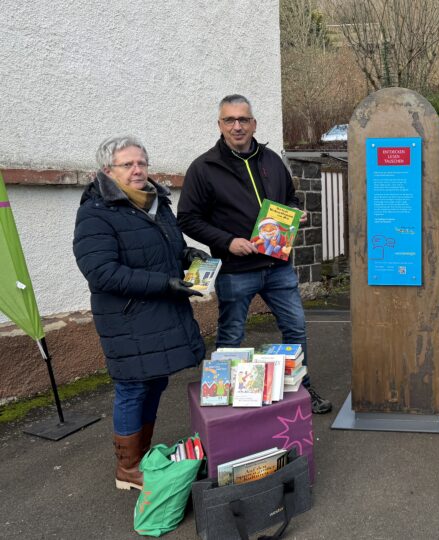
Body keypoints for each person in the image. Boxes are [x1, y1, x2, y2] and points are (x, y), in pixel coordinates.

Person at [177, 94, 332, 414]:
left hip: (278, 266)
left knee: (295, 329)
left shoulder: (272, 160)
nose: (237, 126)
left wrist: (295, 213)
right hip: (236, 269)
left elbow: (290, 199)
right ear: (220, 125)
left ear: (254, 124)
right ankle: (228, 403)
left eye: (243, 120)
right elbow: (188, 219)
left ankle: (301, 389)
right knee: (231, 335)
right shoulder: (204, 168)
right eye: (230, 120)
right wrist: (227, 241)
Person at [73, 136, 207, 490]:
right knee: (133, 388)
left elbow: (169, 249)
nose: (137, 170)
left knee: (156, 382)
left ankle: (143, 455)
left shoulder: (157, 203)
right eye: (127, 165)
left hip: (159, 314)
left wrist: (189, 256)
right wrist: (164, 284)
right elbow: (101, 272)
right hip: (128, 318)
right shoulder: (96, 211)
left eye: (142, 163)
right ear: (107, 171)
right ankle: (128, 468)